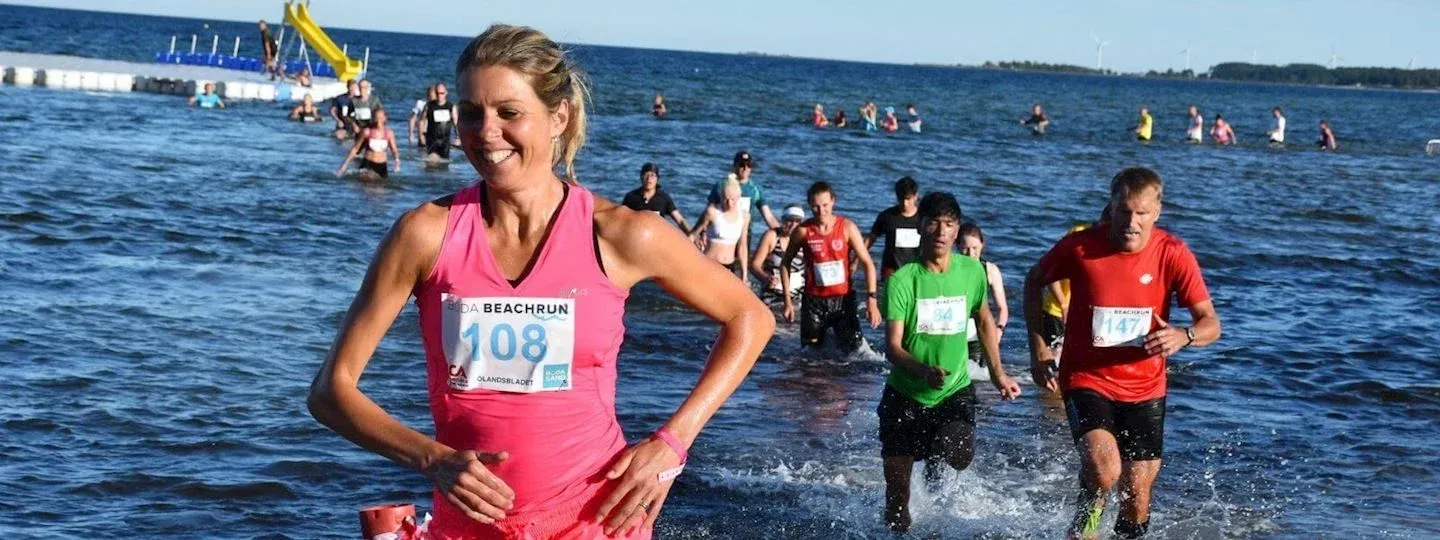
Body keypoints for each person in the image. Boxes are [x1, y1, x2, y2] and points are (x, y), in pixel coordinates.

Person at [307, 24, 773, 539]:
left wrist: (673, 442)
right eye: (470, 112)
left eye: (509, 112)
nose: (485, 133)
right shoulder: (425, 235)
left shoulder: (621, 234)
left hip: (596, 522)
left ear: (559, 117)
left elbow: (750, 316)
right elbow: (331, 391)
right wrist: (432, 459)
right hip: (468, 527)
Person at [1024, 167, 1221, 540]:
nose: (1132, 222)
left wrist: (1185, 335)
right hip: (1086, 377)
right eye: (1124, 211)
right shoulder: (1080, 247)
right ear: (1111, 208)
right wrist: (1037, 348)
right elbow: (1034, 280)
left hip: (1146, 387)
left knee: (1137, 494)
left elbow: (1211, 322)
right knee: (1105, 469)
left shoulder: (1173, 253)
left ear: (1157, 211)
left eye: (1142, 213)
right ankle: (1083, 529)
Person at [879, 192, 1021, 533]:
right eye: (934, 223)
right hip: (906, 395)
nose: (941, 232)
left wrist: (999, 374)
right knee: (898, 499)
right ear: (921, 228)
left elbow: (985, 320)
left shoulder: (972, 272)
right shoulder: (902, 280)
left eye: (949, 224)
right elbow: (893, 348)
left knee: (958, 454)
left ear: (957, 231)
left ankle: (935, 454)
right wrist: (922, 371)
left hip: (953, 389)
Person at [780, 181, 882, 353]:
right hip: (814, 302)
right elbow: (785, 264)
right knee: (809, 355)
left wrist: (872, 299)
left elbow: (868, 263)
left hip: (843, 301)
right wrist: (787, 302)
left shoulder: (847, 228)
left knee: (855, 353)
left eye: (825, 205)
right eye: (815, 207)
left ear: (833, 201)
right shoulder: (804, 231)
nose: (821, 211)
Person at [688, 150, 780, 246]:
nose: (745, 168)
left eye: (749, 165)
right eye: (741, 165)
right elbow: (709, 211)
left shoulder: (755, 190)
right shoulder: (722, 185)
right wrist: (702, 232)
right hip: (722, 233)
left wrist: (781, 233)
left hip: (744, 235)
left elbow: (768, 216)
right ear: (734, 166)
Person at [1037, 223, 1092, 366]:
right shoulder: (1080, 232)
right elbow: (1051, 276)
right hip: (1056, 311)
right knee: (1055, 357)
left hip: (1081, 312)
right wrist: (1063, 305)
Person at [957, 223, 1008, 367]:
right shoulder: (949, 268)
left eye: (975, 249)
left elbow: (1002, 308)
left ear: (982, 245)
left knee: (979, 379)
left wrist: (999, 329)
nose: (970, 254)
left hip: (980, 333)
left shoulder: (990, 270)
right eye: (965, 249)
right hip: (954, 333)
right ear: (957, 246)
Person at [865, 176, 922, 279]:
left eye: (908, 199)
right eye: (901, 199)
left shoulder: (924, 218)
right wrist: (856, 260)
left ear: (916, 196)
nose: (905, 203)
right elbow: (871, 238)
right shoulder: (887, 216)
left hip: (916, 271)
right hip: (891, 272)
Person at [750, 205, 806, 306]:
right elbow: (754, 265)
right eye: (790, 220)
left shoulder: (804, 238)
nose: (793, 224)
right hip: (773, 294)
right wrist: (765, 278)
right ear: (783, 220)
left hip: (798, 295)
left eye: (798, 221)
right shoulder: (772, 236)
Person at [621, 163, 691, 234]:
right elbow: (621, 218)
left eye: (652, 175)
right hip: (636, 236)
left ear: (657, 179)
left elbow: (680, 220)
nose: (649, 178)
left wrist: (693, 235)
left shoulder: (664, 198)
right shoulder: (631, 197)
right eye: (646, 175)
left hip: (657, 237)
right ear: (641, 177)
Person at [702, 177, 750, 279]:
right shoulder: (713, 212)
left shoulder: (744, 216)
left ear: (738, 198)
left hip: (729, 266)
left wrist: (744, 274)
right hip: (709, 263)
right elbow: (696, 233)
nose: (729, 203)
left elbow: (742, 246)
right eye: (725, 199)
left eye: (732, 199)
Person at [336, 109, 399, 179]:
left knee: (381, 187)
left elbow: (394, 149)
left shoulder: (389, 133)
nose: (378, 121)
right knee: (367, 186)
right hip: (368, 163)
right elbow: (355, 149)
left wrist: (396, 161)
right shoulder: (367, 132)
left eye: (380, 118)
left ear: (385, 118)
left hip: (382, 165)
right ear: (373, 118)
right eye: (376, 118)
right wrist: (344, 165)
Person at [419, 83, 459, 161]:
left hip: (445, 141)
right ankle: (431, 172)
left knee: (444, 163)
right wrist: (421, 135)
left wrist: (458, 138)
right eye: (437, 93)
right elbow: (421, 121)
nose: (439, 95)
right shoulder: (429, 106)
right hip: (432, 139)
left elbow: (456, 123)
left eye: (442, 93)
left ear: (446, 93)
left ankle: (440, 173)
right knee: (432, 160)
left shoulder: (451, 107)